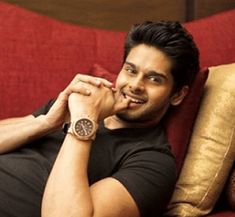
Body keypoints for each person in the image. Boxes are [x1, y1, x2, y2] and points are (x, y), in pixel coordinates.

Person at [0, 21, 199, 217]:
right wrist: (45, 123)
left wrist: (85, 120)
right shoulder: (74, 105)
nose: (135, 85)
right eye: (130, 70)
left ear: (177, 95)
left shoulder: (153, 161)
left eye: (154, 79)